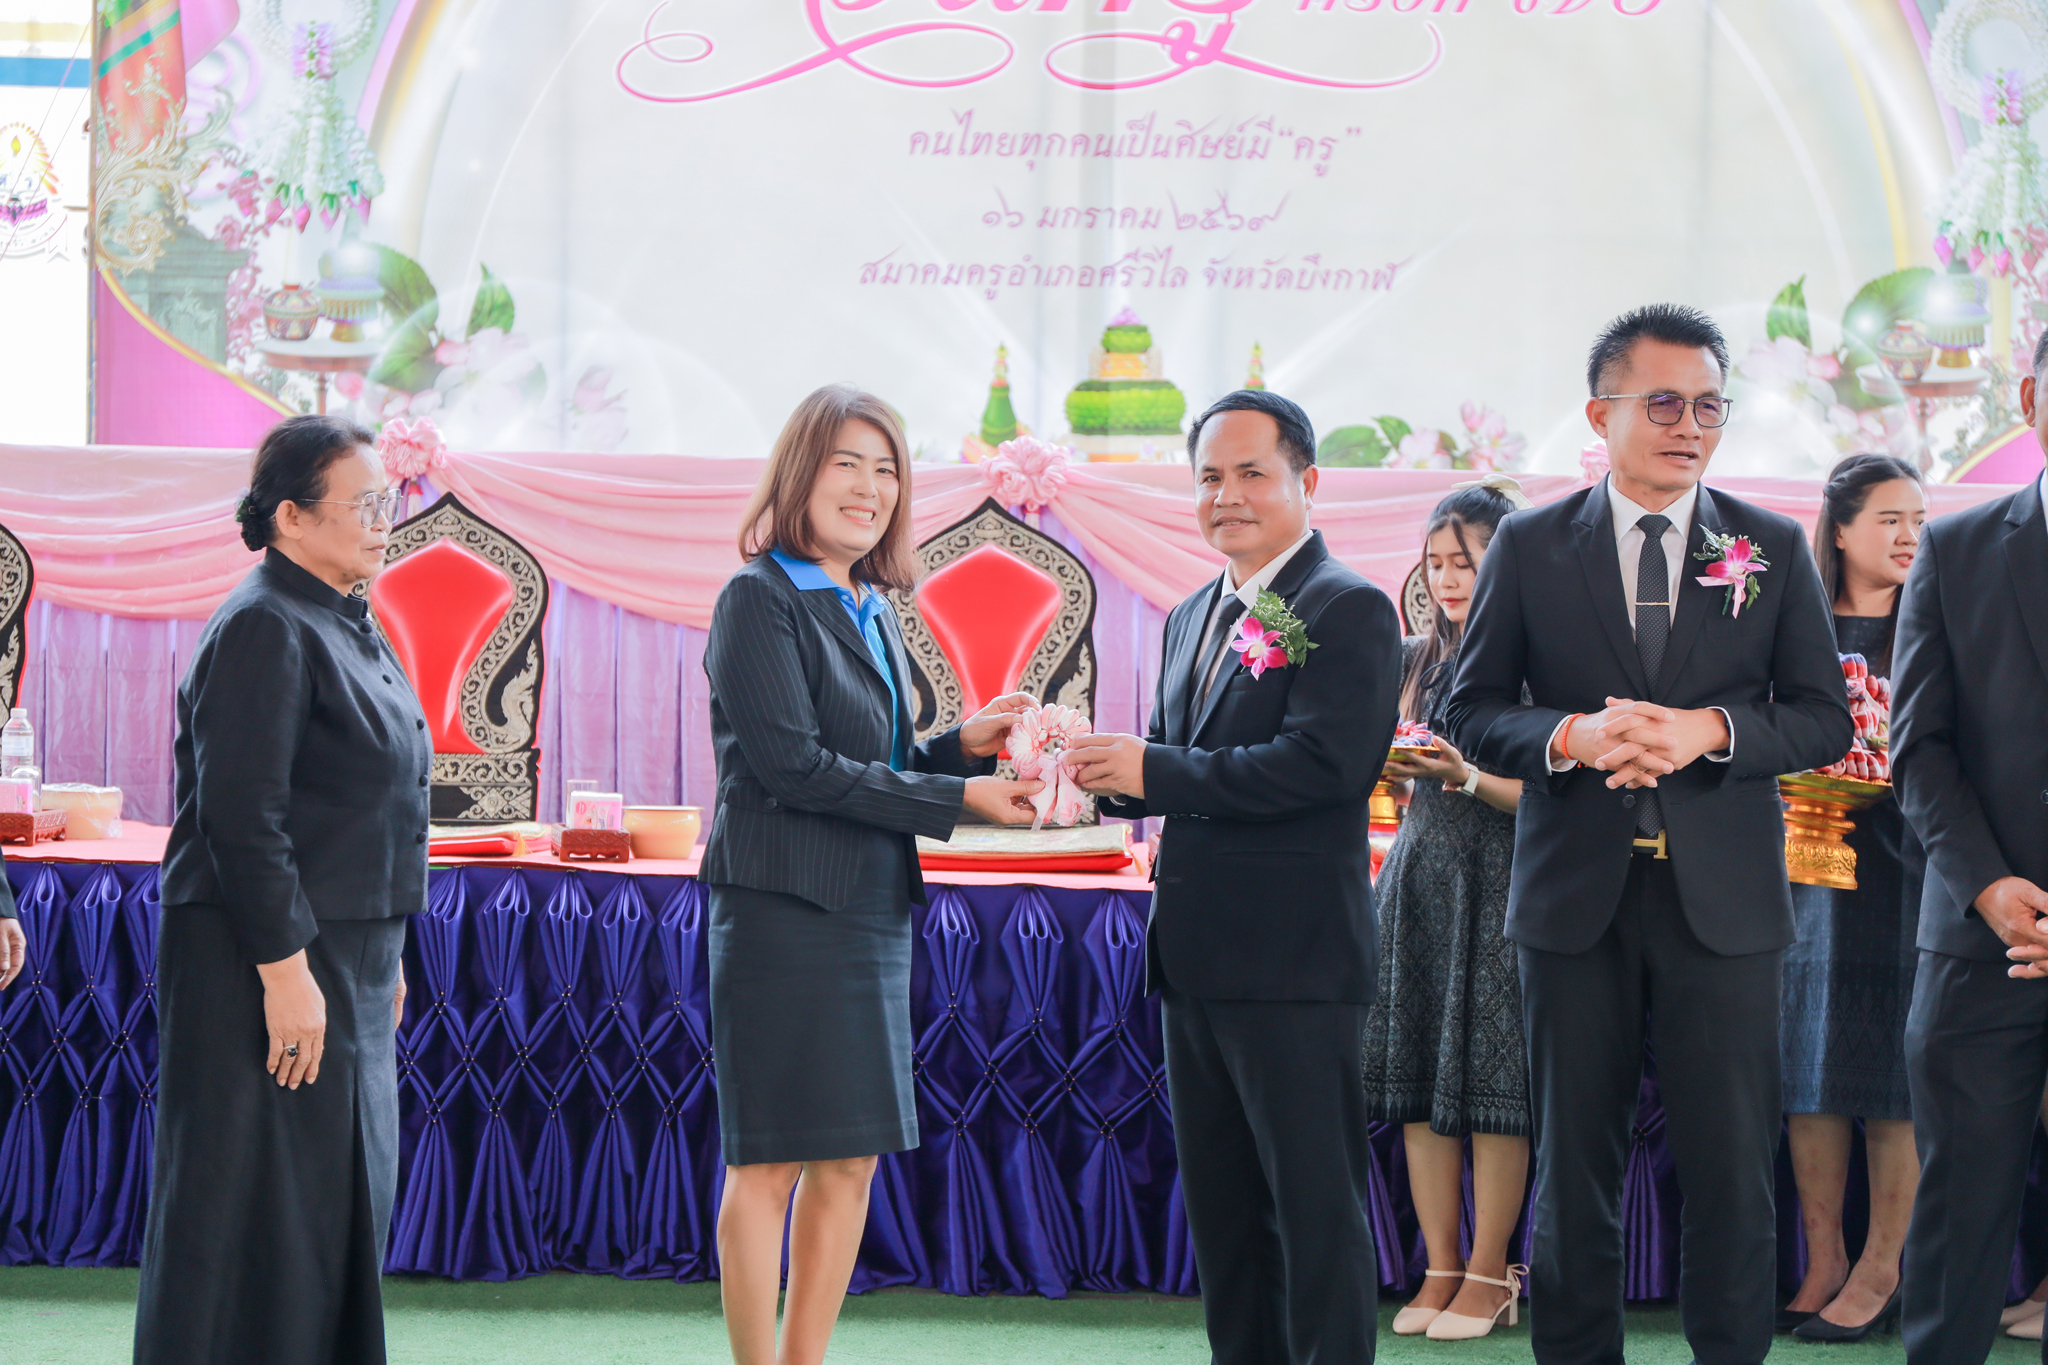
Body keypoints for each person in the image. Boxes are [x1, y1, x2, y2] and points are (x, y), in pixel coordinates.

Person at [1442, 304, 1852, 1365]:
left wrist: (1709, 729)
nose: (1688, 426)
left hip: (1725, 904)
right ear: (1601, 413)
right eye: (1663, 403)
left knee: (1731, 1167)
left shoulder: (1767, 544)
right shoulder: (1533, 542)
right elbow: (1468, 706)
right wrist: (1571, 737)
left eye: (1709, 406)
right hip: (1573, 898)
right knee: (1574, 1165)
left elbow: (1823, 717)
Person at [701, 383, 1044, 1365]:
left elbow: (878, 763)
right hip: (783, 910)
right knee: (770, 1163)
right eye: (845, 463)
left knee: (850, 1159)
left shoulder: (871, 605)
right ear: (798, 474)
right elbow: (795, 769)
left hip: (867, 907)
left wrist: (958, 748)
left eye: (886, 468)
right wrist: (958, 801)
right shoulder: (757, 599)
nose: (868, 486)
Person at [1067, 389, 1403, 1365]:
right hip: (1196, 956)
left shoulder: (1346, 607)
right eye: (1209, 476)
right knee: (1225, 1216)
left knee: (1313, 1211)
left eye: (1251, 472)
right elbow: (1172, 758)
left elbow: (1323, 767)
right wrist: (1087, 773)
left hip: (1295, 961)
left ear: (1307, 480)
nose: (1227, 495)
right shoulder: (1189, 614)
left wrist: (1154, 768)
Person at [137, 414, 426, 1365]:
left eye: (388, 501)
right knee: (253, 1215)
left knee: (332, 1205)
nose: (384, 521)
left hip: (343, 954)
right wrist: (286, 970)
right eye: (364, 504)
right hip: (260, 958)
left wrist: (380, 952)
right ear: (292, 517)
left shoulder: (339, 610)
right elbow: (241, 817)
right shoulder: (264, 621)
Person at [1893, 326, 2048, 1364]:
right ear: (2030, 400)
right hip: (1980, 939)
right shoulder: (1957, 548)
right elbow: (1919, 750)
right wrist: (1989, 887)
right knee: (1959, 1217)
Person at [1363, 476, 1532, 1341]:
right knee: (1419, 1080)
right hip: (1419, 874)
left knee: (1497, 1085)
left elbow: (1553, 795)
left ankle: (1491, 1270)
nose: (1446, 578)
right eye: (1435, 562)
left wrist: (1465, 775)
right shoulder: (1411, 658)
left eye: (1465, 560)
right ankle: (1438, 1264)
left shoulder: (1539, 660)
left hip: (1507, 877)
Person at [1777, 452, 1927, 1342]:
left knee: (1893, 1072)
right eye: (1889, 518)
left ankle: (1883, 1265)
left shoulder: (1937, 622)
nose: (1909, 536)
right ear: (1838, 528)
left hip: (1910, 866)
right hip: (1803, 861)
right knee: (1808, 1067)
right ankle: (1823, 1258)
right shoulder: (1792, 626)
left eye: (1918, 520)